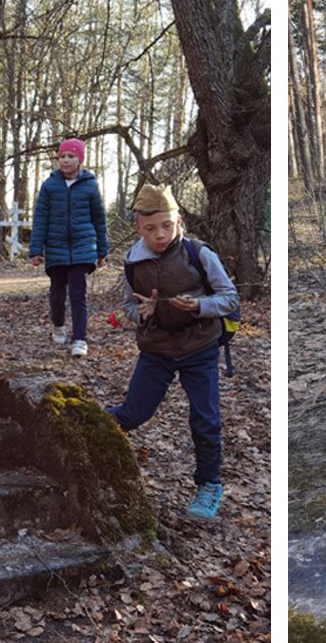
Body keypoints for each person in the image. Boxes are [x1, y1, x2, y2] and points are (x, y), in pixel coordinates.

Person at [108, 184, 239, 520]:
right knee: (133, 414)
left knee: (206, 420)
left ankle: (209, 485)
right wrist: (141, 313)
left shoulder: (199, 253)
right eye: (150, 229)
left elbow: (230, 298)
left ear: (179, 220)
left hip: (200, 347)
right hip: (157, 350)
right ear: (138, 228)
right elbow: (126, 308)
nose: (160, 235)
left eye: (167, 226)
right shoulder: (133, 262)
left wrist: (199, 305)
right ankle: (90, 437)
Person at [29, 138, 108, 357]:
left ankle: (80, 339)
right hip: (56, 248)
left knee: (78, 293)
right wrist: (36, 250)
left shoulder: (90, 185)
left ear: (80, 159)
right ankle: (58, 326)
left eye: (71, 156)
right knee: (56, 293)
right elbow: (40, 219)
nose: (65, 160)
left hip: (83, 247)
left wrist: (102, 251)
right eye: (62, 156)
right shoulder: (49, 186)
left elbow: (99, 220)